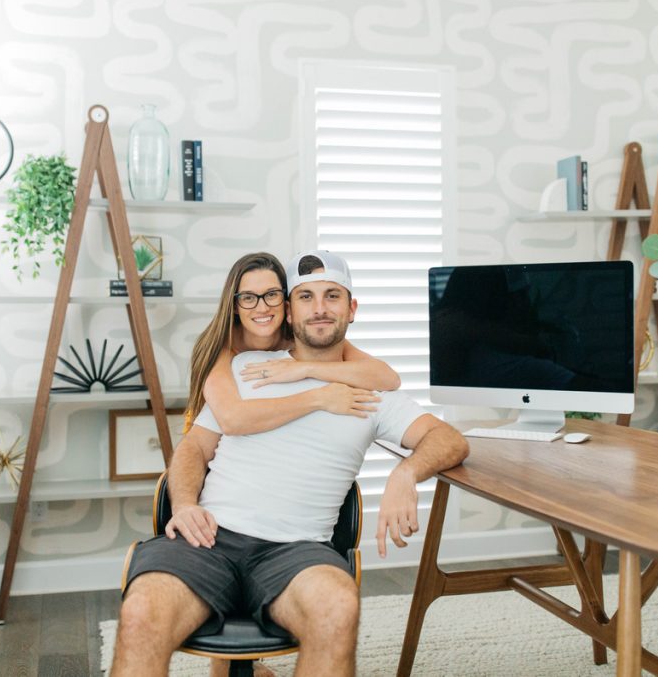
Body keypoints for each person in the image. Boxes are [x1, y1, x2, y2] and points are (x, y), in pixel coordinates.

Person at [111, 250, 469, 677]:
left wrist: (406, 472)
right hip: (209, 538)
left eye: (333, 296)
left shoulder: (374, 393)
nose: (319, 309)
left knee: (337, 608)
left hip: (298, 552)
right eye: (307, 297)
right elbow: (194, 449)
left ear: (351, 309)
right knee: (141, 613)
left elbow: (449, 440)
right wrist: (186, 503)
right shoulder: (246, 367)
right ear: (289, 311)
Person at [183, 251, 401, 438]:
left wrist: (304, 368)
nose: (262, 308)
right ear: (235, 306)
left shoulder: (297, 335)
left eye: (271, 295)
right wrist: (320, 398)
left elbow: (387, 378)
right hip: (216, 443)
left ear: (286, 303)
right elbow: (231, 420)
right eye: (249, 298)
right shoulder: (221, 346)